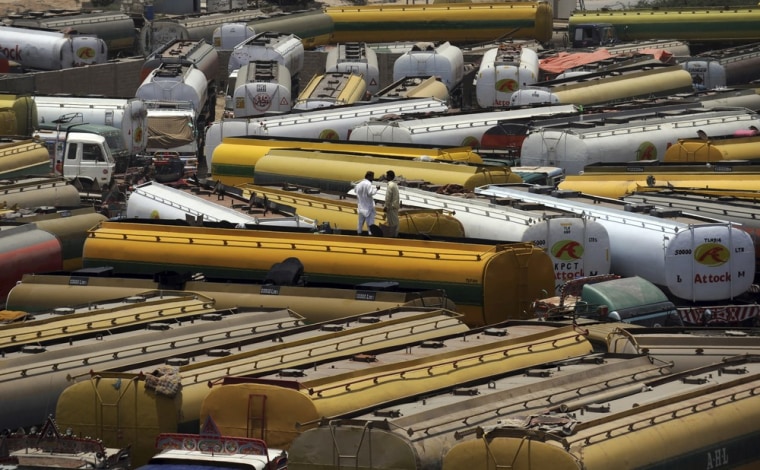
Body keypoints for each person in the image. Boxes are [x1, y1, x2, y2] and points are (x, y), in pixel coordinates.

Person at [355, 170, 379, 235]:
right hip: (368, 208)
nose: (373, 179)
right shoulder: (368, 184)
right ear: (369, 176)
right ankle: (370, 236)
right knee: (370, 224)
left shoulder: (359, 184)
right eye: (372, 177)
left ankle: (358, 234)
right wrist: (377, 189)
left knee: (360, 223)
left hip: (361, 207)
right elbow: (370, 193)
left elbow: (355, 191)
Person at [384, 170, 400, 237]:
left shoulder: (390, 185)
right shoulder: (395, 185)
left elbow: (388, 197)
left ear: (389, 177)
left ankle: (393, 236)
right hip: (395, 206)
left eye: (387, 175)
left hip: (391, 207)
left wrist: (386, 206)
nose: (386, 177)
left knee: (392, 223)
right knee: (395, 222)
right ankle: (394, 235)